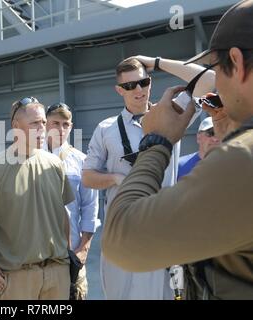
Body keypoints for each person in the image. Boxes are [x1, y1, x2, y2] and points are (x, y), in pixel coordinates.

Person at [102, 0, 253, 300]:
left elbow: (123, 240)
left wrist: (156, 142)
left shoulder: (242, 160)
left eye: (216, 68)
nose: (215, 85)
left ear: (235, 61)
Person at [82, 55, 215, 300]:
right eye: (129, 86)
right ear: (119, 90)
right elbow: (87, 177)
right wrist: (115, 179)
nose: (138, 90)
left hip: (161, 229)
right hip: (122, 230)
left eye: (143, 82)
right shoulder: (106, 128)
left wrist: (155, 61)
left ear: (150, 82)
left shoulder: (171, 113)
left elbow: (208, 79)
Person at [0, 97, 74, 300]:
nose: (42, 128)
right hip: (14, 279)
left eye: (43, 122)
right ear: (16, 127)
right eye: (35, 123)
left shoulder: (55, 165)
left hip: (57, 274)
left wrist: (69, 259)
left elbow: (62, 215)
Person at [44, 102, 100, 300]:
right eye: (55, 123)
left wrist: (83, 249)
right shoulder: (29, 159)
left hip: (72, 253)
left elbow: (90, 208)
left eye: (65, 124)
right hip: (37, 255)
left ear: (71, 126)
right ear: (45, 125)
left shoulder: (82, 161)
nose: (60, 129)